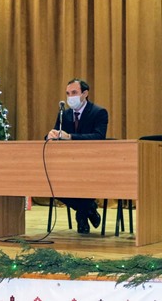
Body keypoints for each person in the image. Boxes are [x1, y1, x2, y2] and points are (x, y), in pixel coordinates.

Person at [46, 78, 109, 234]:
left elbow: (99, 137)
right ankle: (88, 209)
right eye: (68, 93)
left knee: (84, 180)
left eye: (74, 93)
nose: (70, 97)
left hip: (91, 163)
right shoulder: (64, 114)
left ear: (85, 94)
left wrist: (70, 137)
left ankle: (82, 215)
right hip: (67, 164)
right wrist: (50, 136)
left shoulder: (98, 112)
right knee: (52, 184)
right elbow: (57, 133)